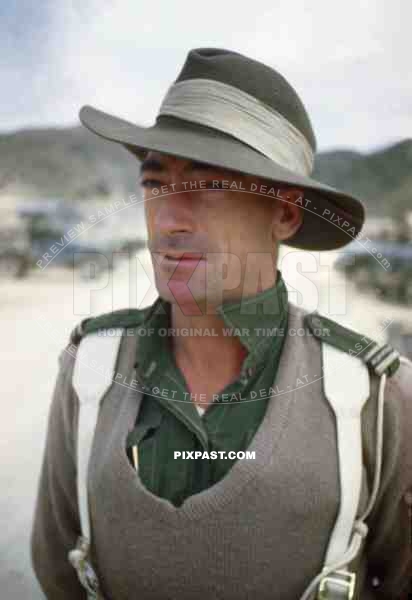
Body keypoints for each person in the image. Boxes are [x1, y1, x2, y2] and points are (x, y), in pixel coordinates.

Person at [30, 47, 412, 600]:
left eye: (209, 185)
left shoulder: (377, 400)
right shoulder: (89, 372)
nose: (168, 217)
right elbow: (60, 569)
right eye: (154, 183)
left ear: (283, 213)